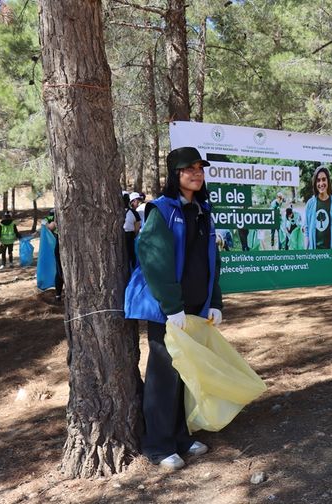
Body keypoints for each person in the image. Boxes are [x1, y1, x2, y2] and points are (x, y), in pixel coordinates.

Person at [134, 146, 222, 470]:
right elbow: (154, 261)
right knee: (164, 375)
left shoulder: (202, 210)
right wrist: (172, 307)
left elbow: (213, 262)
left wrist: (214, 302)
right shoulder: (161, 210)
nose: (197, 173)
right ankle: (158, 445)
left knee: (186, 375)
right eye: (189, 169)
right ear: (175, 174)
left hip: (196, 309)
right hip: (168, 311)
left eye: (200, 168)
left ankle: (181, 437)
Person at [304, 166, 332, 249]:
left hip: (330, 253)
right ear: (315, 183)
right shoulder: (310, 204)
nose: (321, 183)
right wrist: (306, 250)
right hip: (314, 253)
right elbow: (306, 230)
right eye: (318, 180)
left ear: (328, 181)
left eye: (324, 179)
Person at [124, 192, 144, 272]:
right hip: (130, 237)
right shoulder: (135, 214)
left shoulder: (122, 211)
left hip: (127, 236)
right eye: (136, 201)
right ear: (131, 201)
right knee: (132, 257)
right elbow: (137, 229)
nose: (138, 203)